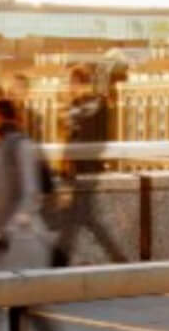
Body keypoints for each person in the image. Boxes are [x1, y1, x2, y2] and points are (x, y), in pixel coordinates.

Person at [0, 92, 86, 331]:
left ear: (2, 116)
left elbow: (30, 194)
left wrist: (6, 233)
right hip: (5, 239)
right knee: (23, 309)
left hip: (18, 242)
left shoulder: (19, 147)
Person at [51, 65, 128, 264]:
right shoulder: (75, 106)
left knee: (77, 218)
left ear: (81, 83)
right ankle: (116, 257)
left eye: (72, 83)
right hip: (74, 170)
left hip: (86, 170)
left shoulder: (94, 105)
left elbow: (93, 136)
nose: (69, 87)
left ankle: (58, 262)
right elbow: (66, 139)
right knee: (83, 218)